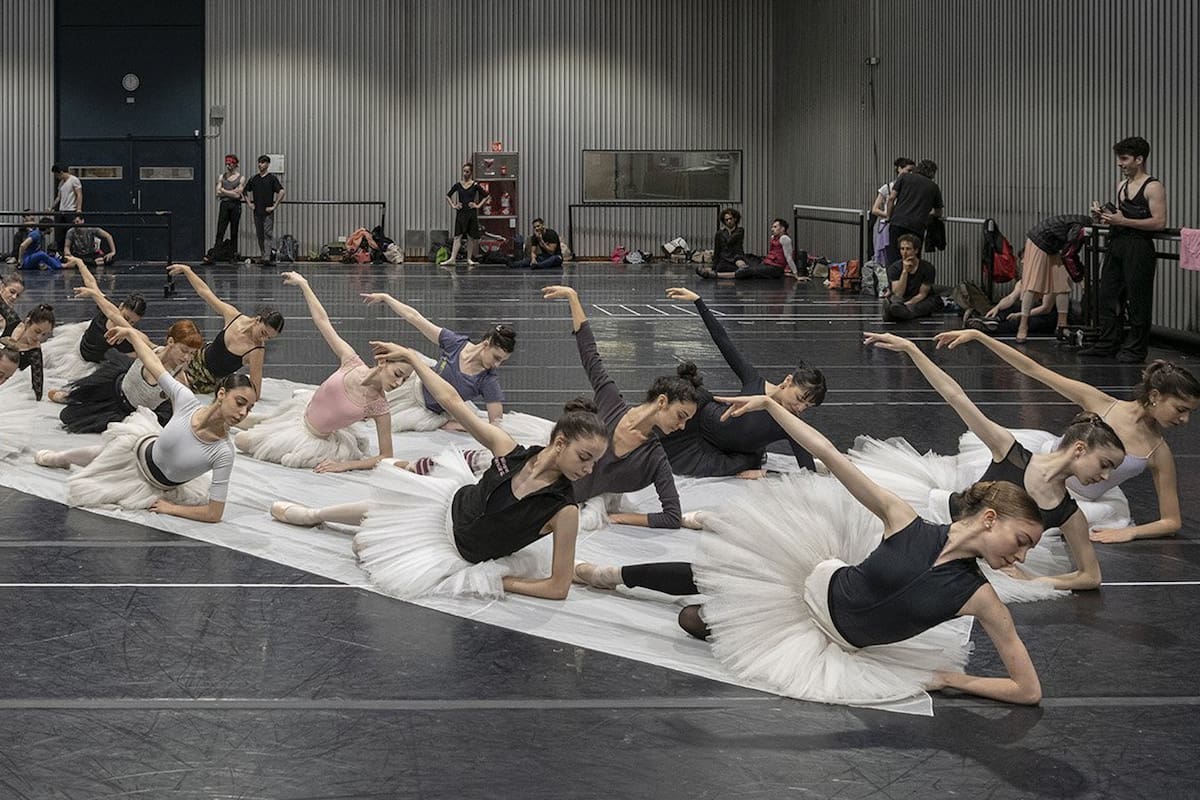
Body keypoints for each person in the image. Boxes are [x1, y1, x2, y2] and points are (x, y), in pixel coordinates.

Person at [575, 396, 1045, 706]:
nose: (1021, 556)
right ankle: (607, 574)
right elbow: (830, 454)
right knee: (715, 570)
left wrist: (955, 681)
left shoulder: (982, 598)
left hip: (830, 643)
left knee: (692, 620)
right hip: (809, 580)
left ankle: (683, 575)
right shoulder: (905, 521)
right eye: (1022, 541)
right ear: (989, 519)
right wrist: (770, 406)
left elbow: (1028, 690)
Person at [271, 342, 610, 602]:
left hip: (460, 551)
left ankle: (345, 524)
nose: (589, 469)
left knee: (363, 548)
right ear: (560, 442)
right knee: (394, 500)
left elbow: (557, 587)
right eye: (585, 457)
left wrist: (498, 580)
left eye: (594, 461)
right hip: (448, 507)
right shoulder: (510, 450)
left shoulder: (564, 510)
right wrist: (414, 358)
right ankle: (315, 514)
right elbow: (452, 402)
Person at [852, 332, 1122, 597]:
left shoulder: (1069, 513)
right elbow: (956, 396)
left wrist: (1034, 580)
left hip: (976, 562)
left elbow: (1091, 576)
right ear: (1079, 449)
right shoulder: (1010, 451)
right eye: (1104, 464)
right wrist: (913, 350)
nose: (1106, 475)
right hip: (933, 518)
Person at [935, 328, 1199, 542]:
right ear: (1155, 396)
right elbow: (1033, 369)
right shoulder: (1102, 403)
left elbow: (1171, 521)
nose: (1184, 420)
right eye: (1180, 409)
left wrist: (1128, 532)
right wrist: (981, 337)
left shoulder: (1158, 452)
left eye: (1189, 413)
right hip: (1036, 465)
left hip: (1072, 500)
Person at [35, 326, 255, 522]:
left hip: (152, 484)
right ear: (222, 394)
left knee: (95, 486)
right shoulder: (187, 402)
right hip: (141, 445)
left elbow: (214, 514)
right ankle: (61, 458)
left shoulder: (224, 452)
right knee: (109, 452)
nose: (243, 412)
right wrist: (130, 332)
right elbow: (151, 362)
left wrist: (172, 509)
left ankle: (65, 457)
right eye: (240, 403)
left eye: (249, 408)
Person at [542, 285, 698, 530]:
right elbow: (590, 355)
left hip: (563, 508)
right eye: (681, 416)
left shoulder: (655, 459)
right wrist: (573, 297)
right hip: (543, 480)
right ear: (661, 401)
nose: (682, 426)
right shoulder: (611, 401)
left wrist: (617, 518)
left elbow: (671, 516)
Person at [235, 273, 408, 471]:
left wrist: (346, 465)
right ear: (383, 362)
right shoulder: (351, 361)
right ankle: (260, 421)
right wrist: (304, 284)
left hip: (314, 440)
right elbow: (322, 321)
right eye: (397, 374)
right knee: (255, 421)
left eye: (404, 380)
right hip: (300, 413)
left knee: (241, 441)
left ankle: (261, 425)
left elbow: (386, 455)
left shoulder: (379, 407)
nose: (398, 383)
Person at [658, 287, 826, 477]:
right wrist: (699, 302)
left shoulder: (791, 423)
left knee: (738, 466)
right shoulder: (753, 380)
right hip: (697, 424)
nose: (800, 407)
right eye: (800, 398)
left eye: (807, 405)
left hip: (725, 455)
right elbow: (723, 341)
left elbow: (808, 472)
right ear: (788, 381)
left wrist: (767, 474)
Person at [363, 292, 511, 431]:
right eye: (496, 358)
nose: (497, 365)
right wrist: (386, 298)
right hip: (418, 380)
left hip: (429, 410)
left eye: (502, 361)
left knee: (384, 424)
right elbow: (415, 318)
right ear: (486, 344)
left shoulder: (488, 379)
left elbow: (496, 423)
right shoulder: (456, 343)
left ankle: (447, 423)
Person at [1081, 136, 1168, 363]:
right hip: (1117, 243)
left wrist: (1123, 221)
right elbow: (1120, 218)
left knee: (1138, 299)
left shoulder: (1154, 187)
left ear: (1139, 159)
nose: (1120, 164)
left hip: (1139, 247)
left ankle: (1136, 349)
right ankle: (1108, 342)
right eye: (1119, 159)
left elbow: (1159, 222)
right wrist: (1103, 217)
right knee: (1107, 294)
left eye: (1124, 159)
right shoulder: (1121, 186)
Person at [58, 307, 202, 434]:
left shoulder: (179, 379)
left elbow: (187, 412)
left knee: (67, 416)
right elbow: (114, 315)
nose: (187, 358)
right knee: (75, 398)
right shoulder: (150, 349)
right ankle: (67, 396)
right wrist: (125, 330)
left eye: (192, 354)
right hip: (113, 386)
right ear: (170, 342)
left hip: (126, 412)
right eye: (184, 351)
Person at [169, 264, 283, 396]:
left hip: (206, 382)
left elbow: (256, 392)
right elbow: (205, 292)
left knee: (173, 387)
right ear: (258, 320)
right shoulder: (233, 316)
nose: (263, 339)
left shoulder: (256, 351)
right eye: (263, 333)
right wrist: (187, 270)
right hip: (194, 358)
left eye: (269, 338)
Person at [41, 259, 145, 386]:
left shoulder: (129, 336)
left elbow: (141, 352)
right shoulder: (108, 307)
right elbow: (91, 283)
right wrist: (80, 263)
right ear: (120, 307)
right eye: (125, 318)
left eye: (133, 322)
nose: (126, 323)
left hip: (90, 365)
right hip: (78, 346)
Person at [1009, 215, 1093, 341]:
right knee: (1033, 284)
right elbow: (1069, 253)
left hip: (1054, 245)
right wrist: (1080, 278)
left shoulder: (1083, 225)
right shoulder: (1081, 226)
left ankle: (1062, 326)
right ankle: (1023, 325)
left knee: (1062, 283)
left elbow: (1070, 251)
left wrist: (1079, 276)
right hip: (1039, 241)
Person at [884, 159, 943, 265]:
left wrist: (889, 217)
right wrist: (926, 213)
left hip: (897, 222)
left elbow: (891, 198)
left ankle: (895, 280)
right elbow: (938, 212)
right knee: (912, 258)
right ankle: (911, 280)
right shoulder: (933, 187)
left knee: (894, 256)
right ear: (933, 173)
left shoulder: (904, 177)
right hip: (917, 226)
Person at [962, 278, 1060, 339]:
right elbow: (1011, 298)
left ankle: (990, 328)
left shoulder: (1050, 281)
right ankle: (991, 320)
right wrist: (997, 307)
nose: (1021, 262)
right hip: (1028, 311)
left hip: (1045, 316)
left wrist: (1020, 314)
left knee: (1016, 321)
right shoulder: (1022, 282)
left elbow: (1045, 308)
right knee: (1011, 306)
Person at [702, 219, 799, 280]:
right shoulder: (773, 237)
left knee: (749, 271)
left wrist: (796, 274)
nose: (772, 229)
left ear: (782, 229)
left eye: (775, 227)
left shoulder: (785, 239)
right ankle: (733, 269)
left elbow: (789, 258)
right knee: (747, 258)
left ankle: (716, 275)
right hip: (767, 263)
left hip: (775, 268)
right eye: (772, 226)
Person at [881, 233, 942, 321]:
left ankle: (897, 313)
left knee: (927, 304)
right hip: (901, 298)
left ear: (916, 250)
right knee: (895, 301)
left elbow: (922, 294)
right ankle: (898, 312)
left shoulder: (928, 268)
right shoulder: (894, 268)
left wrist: (907, 304)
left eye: (908, 249)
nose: (904, 252)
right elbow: (898, 293)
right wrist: (905, 272)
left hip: (919, 300)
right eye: (902, 249)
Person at [3, 304, 56, 400]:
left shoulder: (34, 352)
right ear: (27, 323)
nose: (39, 338)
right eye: (37, 331)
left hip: (6, 388)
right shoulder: (13, 323)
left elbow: (38, 383)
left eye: (44, 335)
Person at [870, 157, 915, 263]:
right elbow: (875, 209)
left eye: (913, 171)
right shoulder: (887, 187)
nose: (911, 173)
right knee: (888, 257)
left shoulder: (911, 188)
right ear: (899, 169)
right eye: (908, 170)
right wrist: (888, 215)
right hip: (887, 225)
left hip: (902, 224)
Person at [443, 162, 489, 266]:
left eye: (467, 171)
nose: (465, 173)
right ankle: (452, 258)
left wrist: (477, 205)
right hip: (461, 213)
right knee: (457, 236)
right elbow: (448, 195)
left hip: (471, 213)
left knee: (470, 236)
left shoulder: (475, 185)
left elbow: (486, 196)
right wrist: (454, 205)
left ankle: (469, 259)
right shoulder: (458, 185)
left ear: (471, 173)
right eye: (464, 171)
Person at [244, 155, 285, 265]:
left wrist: (274, 206)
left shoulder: (272, 178)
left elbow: (281, 191)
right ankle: (263, 255)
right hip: (257, 211)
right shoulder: (254, 178)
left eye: (262, 162)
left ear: (267, 164)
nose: (260, 164)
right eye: (259, 162)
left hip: (267, 211)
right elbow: (245, 191)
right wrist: (250, 204)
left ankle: (267, 257)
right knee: (259, 234)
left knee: (267, 234)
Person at [700, 208, 747, 277]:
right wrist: (714, 266)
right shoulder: (720, 233)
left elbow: (730, 241)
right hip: (724, 259)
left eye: (730, 219)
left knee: (744, 270)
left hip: (736, 258)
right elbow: (717, 250)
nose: (729, 221)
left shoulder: (740, 231)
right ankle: (716, 274)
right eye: (726, 220)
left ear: (735, 219)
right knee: (722, 268)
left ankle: (716, 275)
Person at [213, 154, 246, 254]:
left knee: (234, 231)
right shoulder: (221, 177)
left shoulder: (241, 178)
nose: (227, 166)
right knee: (220, 230)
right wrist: (232, 192)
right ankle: (215, 254)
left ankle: (233, 254)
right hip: (225, 204)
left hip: (235, 205)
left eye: (230, 164)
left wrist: (224, 190)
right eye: (226, 164)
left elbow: (237, 195)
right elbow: (217, 193)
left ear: (235, 164)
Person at [50, 164, 83, 253]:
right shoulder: (61, 183)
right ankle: (61, 254)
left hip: (71, 210)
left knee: (71, 233)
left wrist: (78, 210)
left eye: (56, 175)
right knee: (60, 234)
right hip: (62, 211)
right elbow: (58, 198)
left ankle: (72, 254)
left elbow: (79, 194)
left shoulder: (74, 180)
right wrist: (52, 207)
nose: (56, 177)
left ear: (60, 173)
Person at [1, 272, 24, 337]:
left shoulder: (12, 317)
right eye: (12, 292)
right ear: (2, 287)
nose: (14, 297)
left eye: (18, 295)